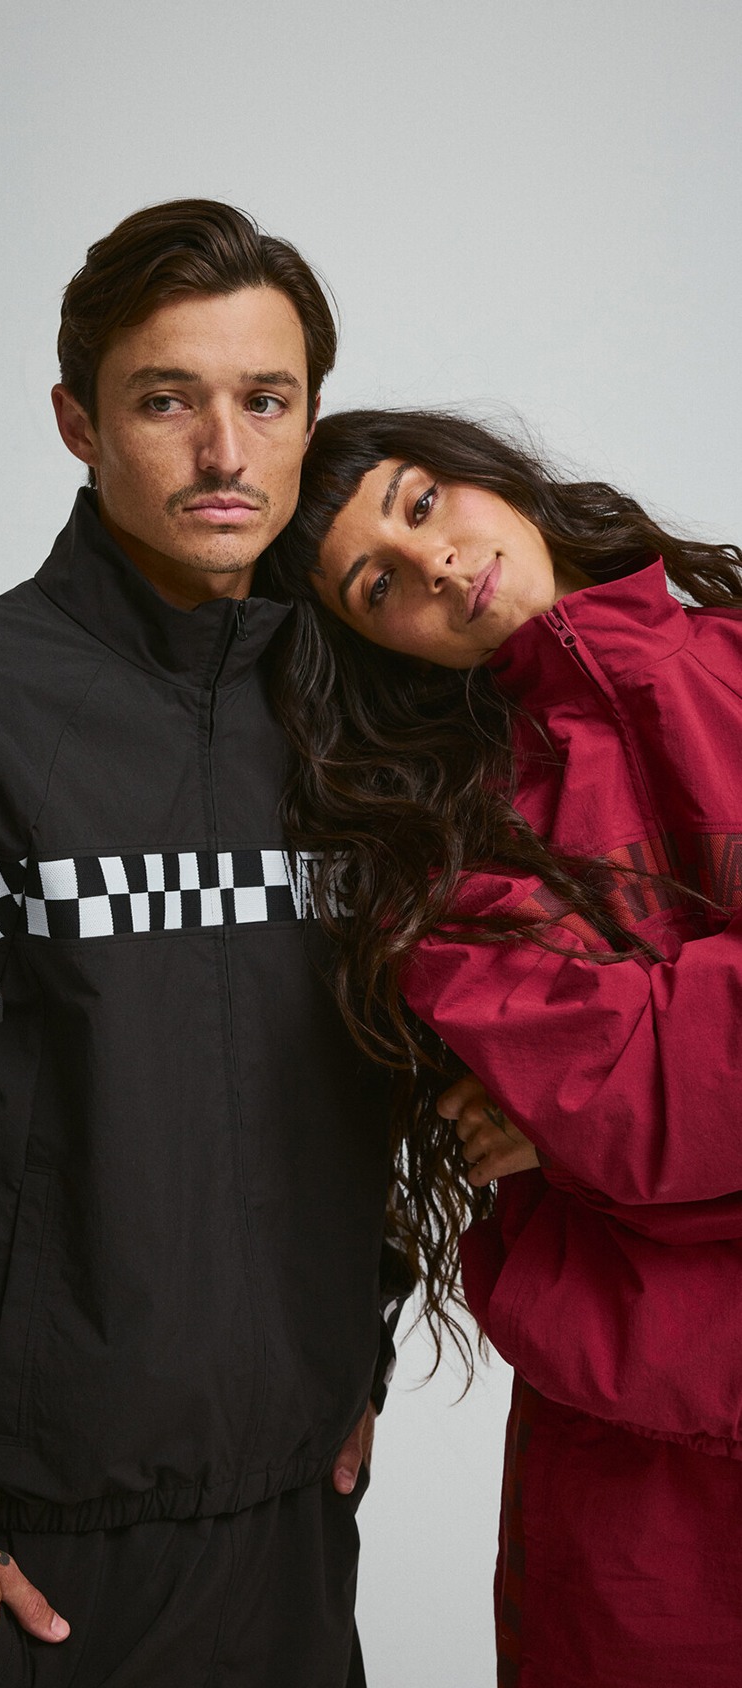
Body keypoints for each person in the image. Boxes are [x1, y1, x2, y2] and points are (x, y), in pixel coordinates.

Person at [0, 209, 400, 1688]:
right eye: (167, 400)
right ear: (78, 422)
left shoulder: (360, 727)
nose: (225, 452)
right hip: (33, 1562)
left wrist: (363, 1357)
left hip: (296, 1528)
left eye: (263, 402)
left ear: (308, 418)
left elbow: (374, 1077)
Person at [266, 407, 742, 1687]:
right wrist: (609, 1113)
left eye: (420, 504)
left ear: (483, 473)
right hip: (648, 1493)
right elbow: (641, 1107)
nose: (432, 566)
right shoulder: (440, 861)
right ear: (374, 646)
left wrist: (606, 1094)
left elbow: (630, 1106)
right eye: (378, 586)